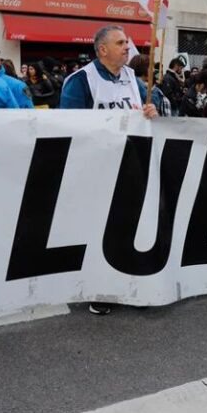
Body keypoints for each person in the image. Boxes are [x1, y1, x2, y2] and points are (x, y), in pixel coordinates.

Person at [59, 26, 158, 315]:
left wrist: (153, 112)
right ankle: (99, 289)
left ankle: (131, 282)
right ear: (102, 50)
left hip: (131, 166)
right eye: (120, 43)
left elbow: (152, 110)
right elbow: (69, 127)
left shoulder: (133, 79)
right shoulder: (80, 81)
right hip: (97, 170)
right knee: (98, 230)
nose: (128, 47)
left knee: (129, 226)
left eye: (127, 42)